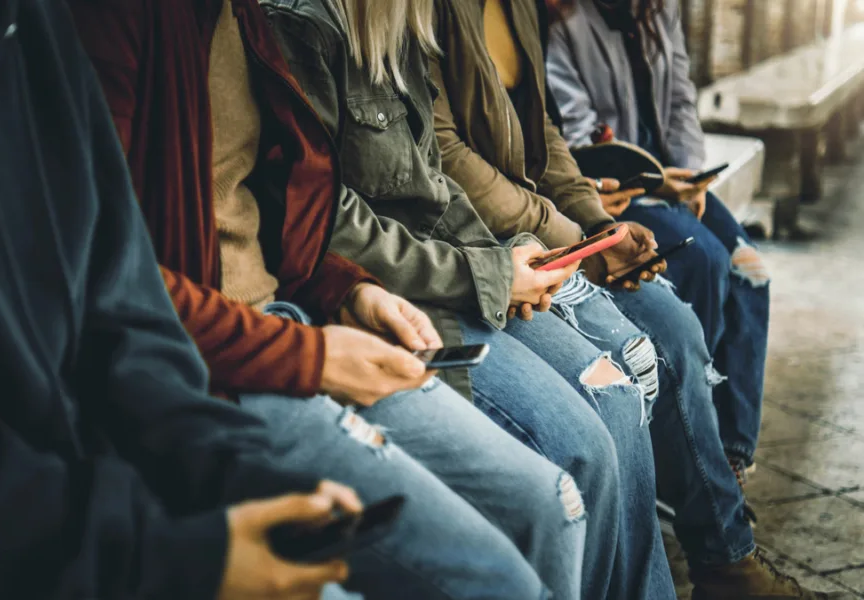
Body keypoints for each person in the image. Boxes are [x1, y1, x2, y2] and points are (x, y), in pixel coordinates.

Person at [68, 0, 588, 598]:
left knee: (552, 501)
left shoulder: (247, 20)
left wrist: (347, 289)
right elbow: (104, 276)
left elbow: (283, 205)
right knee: (502, 572)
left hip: (310, 321)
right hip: (222, 366)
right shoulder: (129, 21)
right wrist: (312, 352)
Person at [261, 0, 687, 598]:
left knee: (622, 387)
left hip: (476, 264)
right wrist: (496, 268)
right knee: (579, 456)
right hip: (409, 295)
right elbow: (325, 220)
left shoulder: (404, 27)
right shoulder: (302, 25)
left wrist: (509, 264)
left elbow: (442, 182)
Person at [427, 0, 845, 598]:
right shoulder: (445, 14)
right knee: (629, 370)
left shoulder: (530, 8)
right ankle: (708, 523)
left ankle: (724, 549)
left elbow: (543, 130)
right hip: (494, 243)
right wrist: (576, 235)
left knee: (676, 322)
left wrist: (600, 225)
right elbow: (449, 156)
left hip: (551, 229)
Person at [0, 1, 356, 598]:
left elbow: (113, 285)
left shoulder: (23, 22)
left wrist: (235, 470)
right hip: (79, 525)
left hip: (143, 452)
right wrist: (162, 554)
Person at [545, 0, 771, 481]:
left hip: (674, 180)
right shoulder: (564, 19)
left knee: (751, 269)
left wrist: (690, 176)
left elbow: (680, 100)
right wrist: (656, 179)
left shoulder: (659, 10)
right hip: (623, 187)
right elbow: (580, 131)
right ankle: (688, 446)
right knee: (705, 259)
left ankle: (730, 444)